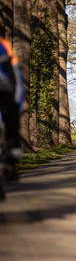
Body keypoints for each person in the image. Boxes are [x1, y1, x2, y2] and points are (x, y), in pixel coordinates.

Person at [0, 34, 24, 198]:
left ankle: (10, 162)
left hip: (3, 91)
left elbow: (16, 78)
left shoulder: (3, 45)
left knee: (10, 123)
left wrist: (16, 106)